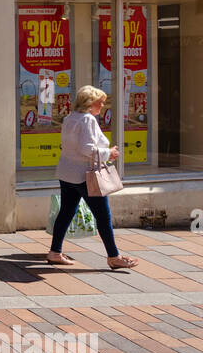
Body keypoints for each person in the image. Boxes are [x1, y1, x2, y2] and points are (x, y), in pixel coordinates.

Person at [46, 85, 138, 270]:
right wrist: (108, 153)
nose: (102, 106)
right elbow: (87, 149)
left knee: (66, 211)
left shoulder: (69, 118)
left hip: (67, 173)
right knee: (103, 216)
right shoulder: (87, 120)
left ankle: (55, 252)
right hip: (85, 176)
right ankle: (114, 257)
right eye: (100, 102)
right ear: (90, 103)